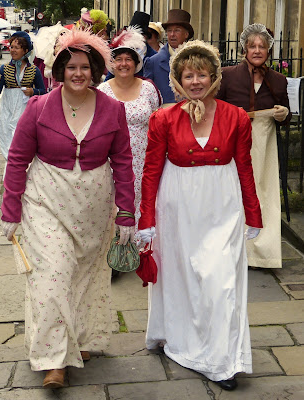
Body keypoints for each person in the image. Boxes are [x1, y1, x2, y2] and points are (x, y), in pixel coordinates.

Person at [0, 28, 135, 389]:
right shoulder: (39, 106)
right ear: (59, 70)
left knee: (84, 277)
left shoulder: (114, 109)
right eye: (71, 67)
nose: (78, 73)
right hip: (45, 200)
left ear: (95, 71)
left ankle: (80, 339)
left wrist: (126, 211)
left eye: (85, 67)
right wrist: (10, 209)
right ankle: (53, 359)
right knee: (52, 277)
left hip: (94, 205)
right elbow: (16, 160)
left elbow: (123, 160)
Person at [138, 40, 262, 390]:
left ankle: (221, 361)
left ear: (214, 77)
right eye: (188, 75)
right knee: (182, 280)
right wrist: (146, 220)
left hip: (223, 207)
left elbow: (245, 166)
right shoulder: (162, 117)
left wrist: (253, 213)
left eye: (202, 75)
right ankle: (177, 336)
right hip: (177, 208)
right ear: (178, 79)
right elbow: (151, 171)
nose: (196, 82)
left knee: (221, 281)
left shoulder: (235, 116)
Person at [216, 23, 291, 269]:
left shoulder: (278, 80)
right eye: (252, 46)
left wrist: (283, 114)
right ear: (244, 49)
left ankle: (261, 253)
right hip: (234, 141)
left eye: (262, 46)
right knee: (233, 192)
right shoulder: (227, 75)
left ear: (269, 51)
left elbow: (287, 117)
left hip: (265, 144)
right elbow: (214, 109)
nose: (257, 50)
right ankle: (233, 251)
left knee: (264, 194)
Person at [98, 26, 161, 239]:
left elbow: (156, 122)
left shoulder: (148, 89)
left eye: (128, 59)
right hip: (111, 160)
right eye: (119, 59)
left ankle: (139, 247)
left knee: (142, 200)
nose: (123, 64)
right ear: (111, 63)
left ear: (136, 63)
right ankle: (115, 248)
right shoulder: (102, 92)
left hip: (143, 159)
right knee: (113, 202)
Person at [0, 31, 45, 159]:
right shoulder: (4, 68)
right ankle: (10, 173)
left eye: (16, 47)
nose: (12, 50)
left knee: (23, 144)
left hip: (25, 111)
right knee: (8, 144)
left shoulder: (34, 70)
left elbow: (43, 91)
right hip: (7, 111)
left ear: (25, 50)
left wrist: (33, 92)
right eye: (11, 47)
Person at [143, 9, 193, 106]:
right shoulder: (153, 62)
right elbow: (147, 96)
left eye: (177, 30)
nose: (172, 34)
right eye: (169, 30)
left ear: (186, 34)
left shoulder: (197, 59)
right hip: (165, 117)